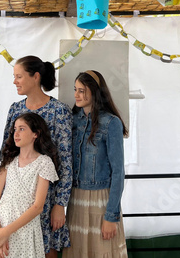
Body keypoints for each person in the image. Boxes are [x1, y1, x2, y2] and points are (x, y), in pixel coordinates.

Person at [0, 55, 72, 258]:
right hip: (14, 202)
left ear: (35, 77)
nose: (14, 81)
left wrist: (60, 204)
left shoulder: (60, 111)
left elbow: (65, 161)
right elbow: (6, 152)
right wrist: (1, 196)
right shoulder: (15, 110)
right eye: (14, 76)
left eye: (19, 76)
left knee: (46, 250)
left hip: (45, 200)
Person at [63, 70, 128, 258]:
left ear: (95, 91)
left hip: (102, 200)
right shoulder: (72, 120)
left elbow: (118, 172)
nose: (76, 95)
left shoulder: (111, 123)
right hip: (75, 200)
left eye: (82, 90)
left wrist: (111, 216)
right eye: (75, 89)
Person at [0, 112, 59, 258]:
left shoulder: (44, 163)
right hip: (1, 226)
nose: (16, 133)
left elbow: (38, 206)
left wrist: (6, 232)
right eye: (15, 129)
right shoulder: (8, 161)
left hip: (25, 229)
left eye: (22, 129)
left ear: (36, 134)